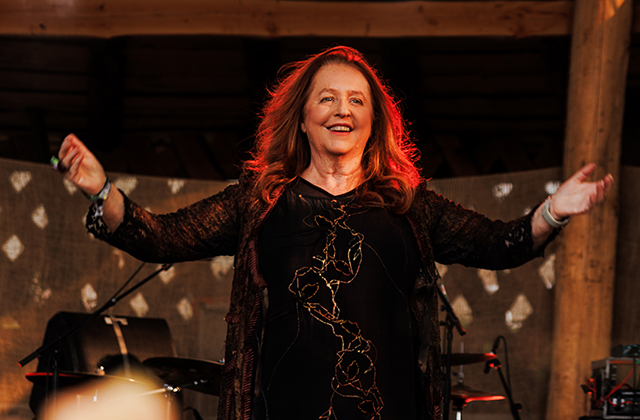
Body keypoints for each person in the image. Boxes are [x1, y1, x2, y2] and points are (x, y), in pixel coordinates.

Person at [56, 46, 613, 420]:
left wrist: (554, 211)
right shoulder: (260, 200)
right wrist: (101, 190)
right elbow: (162, 238)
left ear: (374, 121)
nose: (342, 110)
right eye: (327, 98)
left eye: (356, 100)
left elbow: (501, 244)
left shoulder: (408, 204)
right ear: (302, 118)